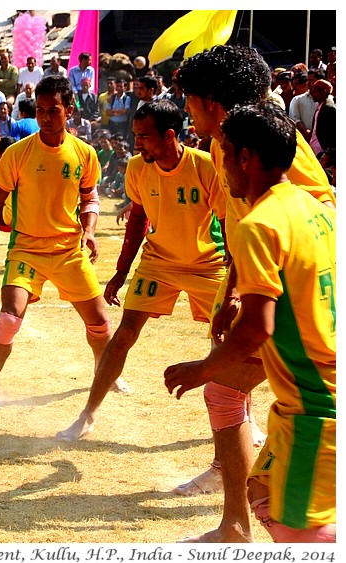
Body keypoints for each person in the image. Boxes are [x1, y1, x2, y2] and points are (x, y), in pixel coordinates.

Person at [167, 43, 334, 543]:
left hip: (301, 310)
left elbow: (313, 206)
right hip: (267, 291)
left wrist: (268, 291)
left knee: (222, 386)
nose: (187, 115)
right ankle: (240, 509)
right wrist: (235, 286)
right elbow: (246, 218)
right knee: (235, 398)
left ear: (213, 105)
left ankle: (237, 521)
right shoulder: (228, 145)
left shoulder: (265, 146)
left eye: (190, 104)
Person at [57, 99, 226, 443]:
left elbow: (228, 220)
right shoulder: (137, 167)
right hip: (158, 262)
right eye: (135, 135)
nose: (136, 143)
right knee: (122, 337)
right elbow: (138, 218)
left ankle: (244, 419)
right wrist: (121, 272)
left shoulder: (207, 166)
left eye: (143, 136)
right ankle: (87, 416)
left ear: (168, 136)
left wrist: (236, 277)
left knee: (224, 340)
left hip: (208, 265)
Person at [0, 75, 112, 411]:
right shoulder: (18, 153)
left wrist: (89, 231)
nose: (46, 116)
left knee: (100, 324)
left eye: (54, 110)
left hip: (68, 250)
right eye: (40, 110)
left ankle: (104, 371)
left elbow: (89, 199)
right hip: (26, 249)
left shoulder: (85, 153)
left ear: (70, 110)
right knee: (9, 320)